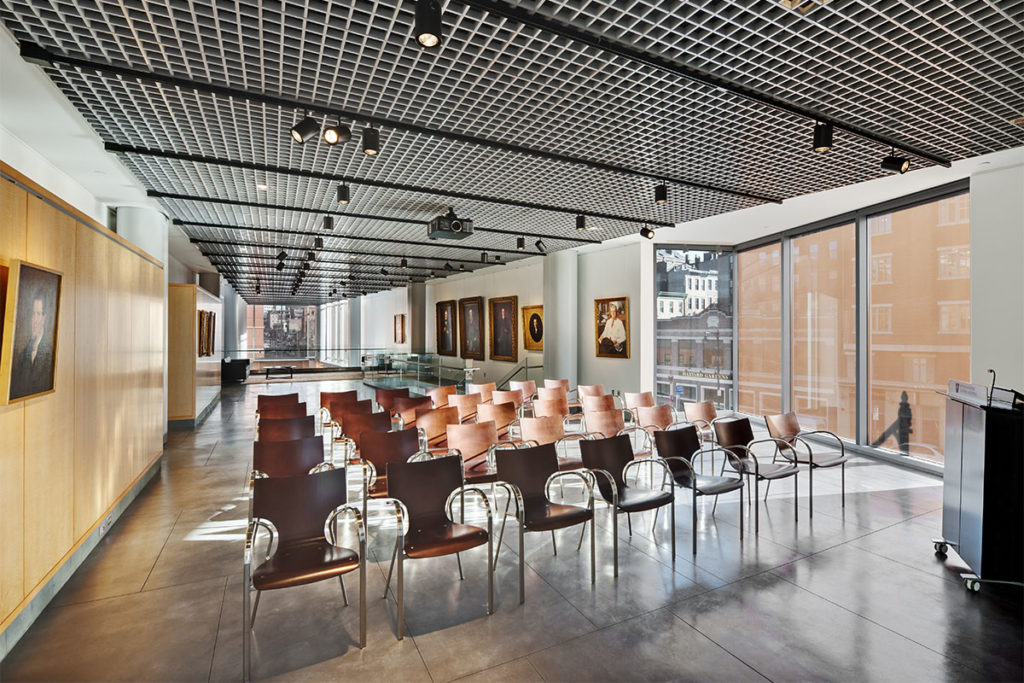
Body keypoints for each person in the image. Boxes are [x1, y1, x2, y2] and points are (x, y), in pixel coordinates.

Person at [10, 295, 55, 399]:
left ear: (44, 318)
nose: (34, 320)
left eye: (38, 314)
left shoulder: (50, 354)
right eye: (33, 314)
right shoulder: (22, 355)